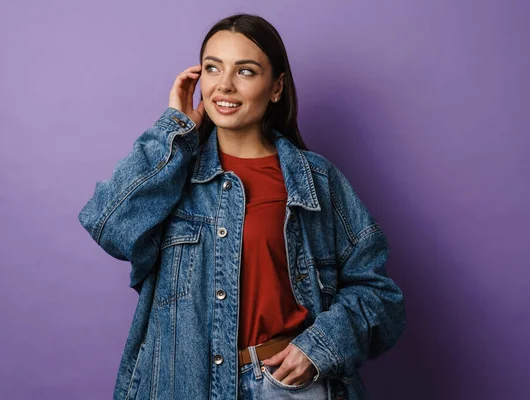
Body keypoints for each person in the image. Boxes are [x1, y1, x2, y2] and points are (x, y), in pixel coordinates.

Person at [78, 13, 405, 400]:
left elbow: (378, 295)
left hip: (289, 389)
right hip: (184, 387)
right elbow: (108, 226)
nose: (224, 85)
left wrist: (318, 348)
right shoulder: (173, 175)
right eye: (213, 68)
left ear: (276, 87)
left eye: (246, 71)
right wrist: (173, 129)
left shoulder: (316, 180)